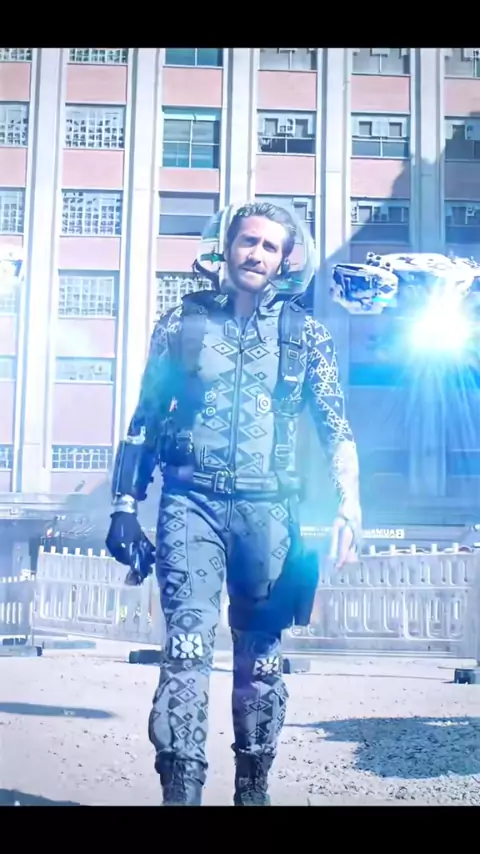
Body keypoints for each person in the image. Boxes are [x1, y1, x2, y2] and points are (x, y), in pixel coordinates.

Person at [105, 201, 362, 806]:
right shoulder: (182, 323)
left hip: (269, 514)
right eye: (248, 241)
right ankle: (182, 793)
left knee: (261, 658)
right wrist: (123, 505)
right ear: (226, 247)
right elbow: (146, 416)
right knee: (186, 647)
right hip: (189, 502)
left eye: (270, 246)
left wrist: (350, 507)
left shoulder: (306, 334)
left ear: (285, 260)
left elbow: (335, 427)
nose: (257, 254)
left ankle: (253, 787)